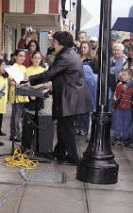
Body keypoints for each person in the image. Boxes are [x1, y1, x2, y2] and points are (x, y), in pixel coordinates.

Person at [28, 31, 93, 165]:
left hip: (71, 98)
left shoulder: (65, 56)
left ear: (60, 43)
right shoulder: (69, 53)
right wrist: (51, 83)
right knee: (63, 127)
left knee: (66, 129)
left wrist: (30, 79)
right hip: (72, 97)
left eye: (54, 41)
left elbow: (51, 73)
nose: (53, 44)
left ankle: (75, 158)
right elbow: (63, 75)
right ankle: (60, 154)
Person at [9, 49, 29, 142]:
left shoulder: (24, 68)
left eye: (23, 56)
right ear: (15, 57)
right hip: (16, 94)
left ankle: (17, 133)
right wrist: (16, 84)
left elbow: (25, 80)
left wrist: (25, 83)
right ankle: (14, 134)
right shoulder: (13, 67)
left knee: (20, 115)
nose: (22, 58)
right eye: (20, 56)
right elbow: (11, 81)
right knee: (15, 116)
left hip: (23, 93)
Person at [112, 69, 133, 145]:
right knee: (118, 122)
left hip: (128, 109)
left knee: (127, 124)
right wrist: (115, 103)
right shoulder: (119, 84)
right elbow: (115, 95)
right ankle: (117, 137)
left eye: (125, 75)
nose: (122, 76)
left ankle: (125, 138)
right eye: (122, 74)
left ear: (130, 76)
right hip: (119, 107)